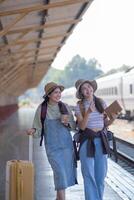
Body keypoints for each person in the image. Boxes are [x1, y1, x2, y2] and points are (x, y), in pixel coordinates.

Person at [27, 82, 77, 200]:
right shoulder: (42, 109)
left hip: (66, 147)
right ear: (49, 94)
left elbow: (74, 126)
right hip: (52, 148)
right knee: (59, 174)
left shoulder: (65, 107)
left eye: (59, 92)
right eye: (55, 92)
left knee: (63, 176)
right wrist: (33, 131)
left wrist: (67, 123)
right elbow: (37, 128)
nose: (58, 95)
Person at [74, 79, 117, 200]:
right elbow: (82, 126)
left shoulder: (101, 102)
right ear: (81, 93)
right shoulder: (79, 105)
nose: (88, 89)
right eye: (84, 88)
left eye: (89, 86)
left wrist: (113, 119)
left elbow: (106, 123)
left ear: (93, 88)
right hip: (86, 141)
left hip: (101, 141)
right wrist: (88, 113)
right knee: (88, 175)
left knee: (100, 175)